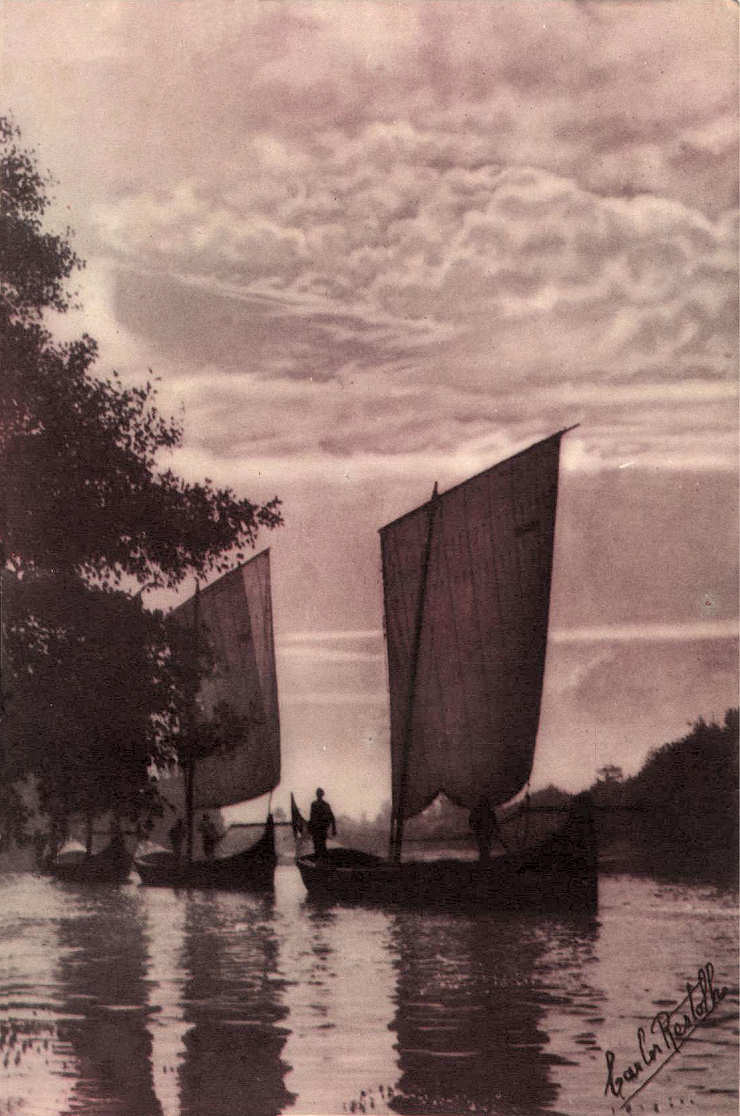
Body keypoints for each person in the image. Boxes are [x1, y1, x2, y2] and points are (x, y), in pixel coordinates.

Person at [469, 796, 500, 863]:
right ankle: (484, 859)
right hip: (483, 831)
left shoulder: (480, 811)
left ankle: (484, 859)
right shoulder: (487, 811)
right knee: (484, 845)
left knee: (484, 845)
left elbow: (494, 821)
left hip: (485, 831)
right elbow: (471, 820)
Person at [308, 788, 336, 858]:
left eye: (319, 793)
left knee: (320, 846)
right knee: (319, 846)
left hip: (321, 829)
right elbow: (312, 817)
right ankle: (320, 859)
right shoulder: (318, 804)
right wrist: (334, 829)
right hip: (319, 829)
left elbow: (331, 817)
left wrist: (334, 829)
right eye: (318, 793)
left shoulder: (319, 804)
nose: (318, 795)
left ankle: (321, 860)